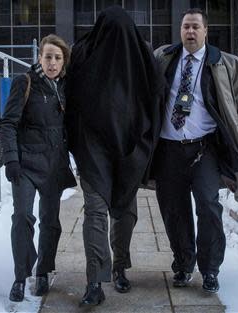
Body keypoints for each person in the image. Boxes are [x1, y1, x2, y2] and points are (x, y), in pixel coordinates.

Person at [152, 8, 238, 293]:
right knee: (173, 211)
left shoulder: (227, 63)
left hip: (204, 150)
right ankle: (182, 264)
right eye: (185, 27)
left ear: (205, 31)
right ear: (180, 31)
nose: (189, 32)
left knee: (208, 207)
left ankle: (210, 270)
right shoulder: (163, 57)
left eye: (195, 27)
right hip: (169, 151)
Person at [65, 6, 164, 306]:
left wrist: (147, 143)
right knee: (95, 212)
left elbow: (156, 98)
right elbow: (67, 94)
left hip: (128, 149)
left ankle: (120, 265)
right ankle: (94, 280)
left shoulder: (143, 58)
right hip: (92, 148)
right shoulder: (82, 53)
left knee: (125, 211)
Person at [0, 34, 76, 302]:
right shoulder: (25, 82)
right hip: (25, 166)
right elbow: (7, 123)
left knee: (50, 222)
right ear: (39, 58)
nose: (52, 63)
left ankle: (43, 270)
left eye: (57, 58)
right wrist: (11, 159)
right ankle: (20, 277)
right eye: (48, 57)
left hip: (54, 166)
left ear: (64, 60)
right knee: (22, 218)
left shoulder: (67, 86)